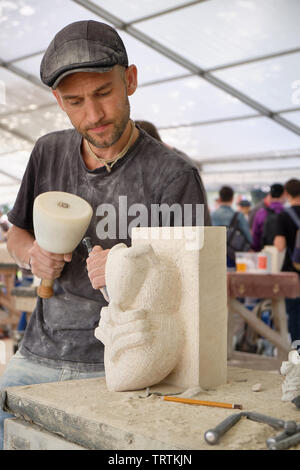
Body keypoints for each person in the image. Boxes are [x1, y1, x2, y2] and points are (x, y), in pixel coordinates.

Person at [0, 20, 210, 448]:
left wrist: (126, 271)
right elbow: (17, 232)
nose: (93, 116)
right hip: (37, 354)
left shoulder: (174, 176)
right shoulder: (47, 151)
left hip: (123, 366)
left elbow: (193, 294)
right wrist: (31, 256)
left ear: (129, 80)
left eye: (103, 93)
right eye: (75, 101)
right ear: (58, 101)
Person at [274, 179, 300, 344]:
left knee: (295, 313)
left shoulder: (283, 216)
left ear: (287, 194)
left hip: (292, 272)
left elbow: (280, 246)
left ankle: (298, 356)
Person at [211, 186, 252, 268]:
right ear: (232, 199)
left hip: (216, 252)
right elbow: (249, 237)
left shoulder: (212, 215)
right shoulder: (238, 216)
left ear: (219, 198)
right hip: (234, 254)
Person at [251, 183, 285, 252]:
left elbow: (255, 236)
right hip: (285, 255)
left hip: (265, 252)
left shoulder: (260, 213)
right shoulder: (287, 214)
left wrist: (257, 250)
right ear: (284, 195)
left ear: (270, 195)